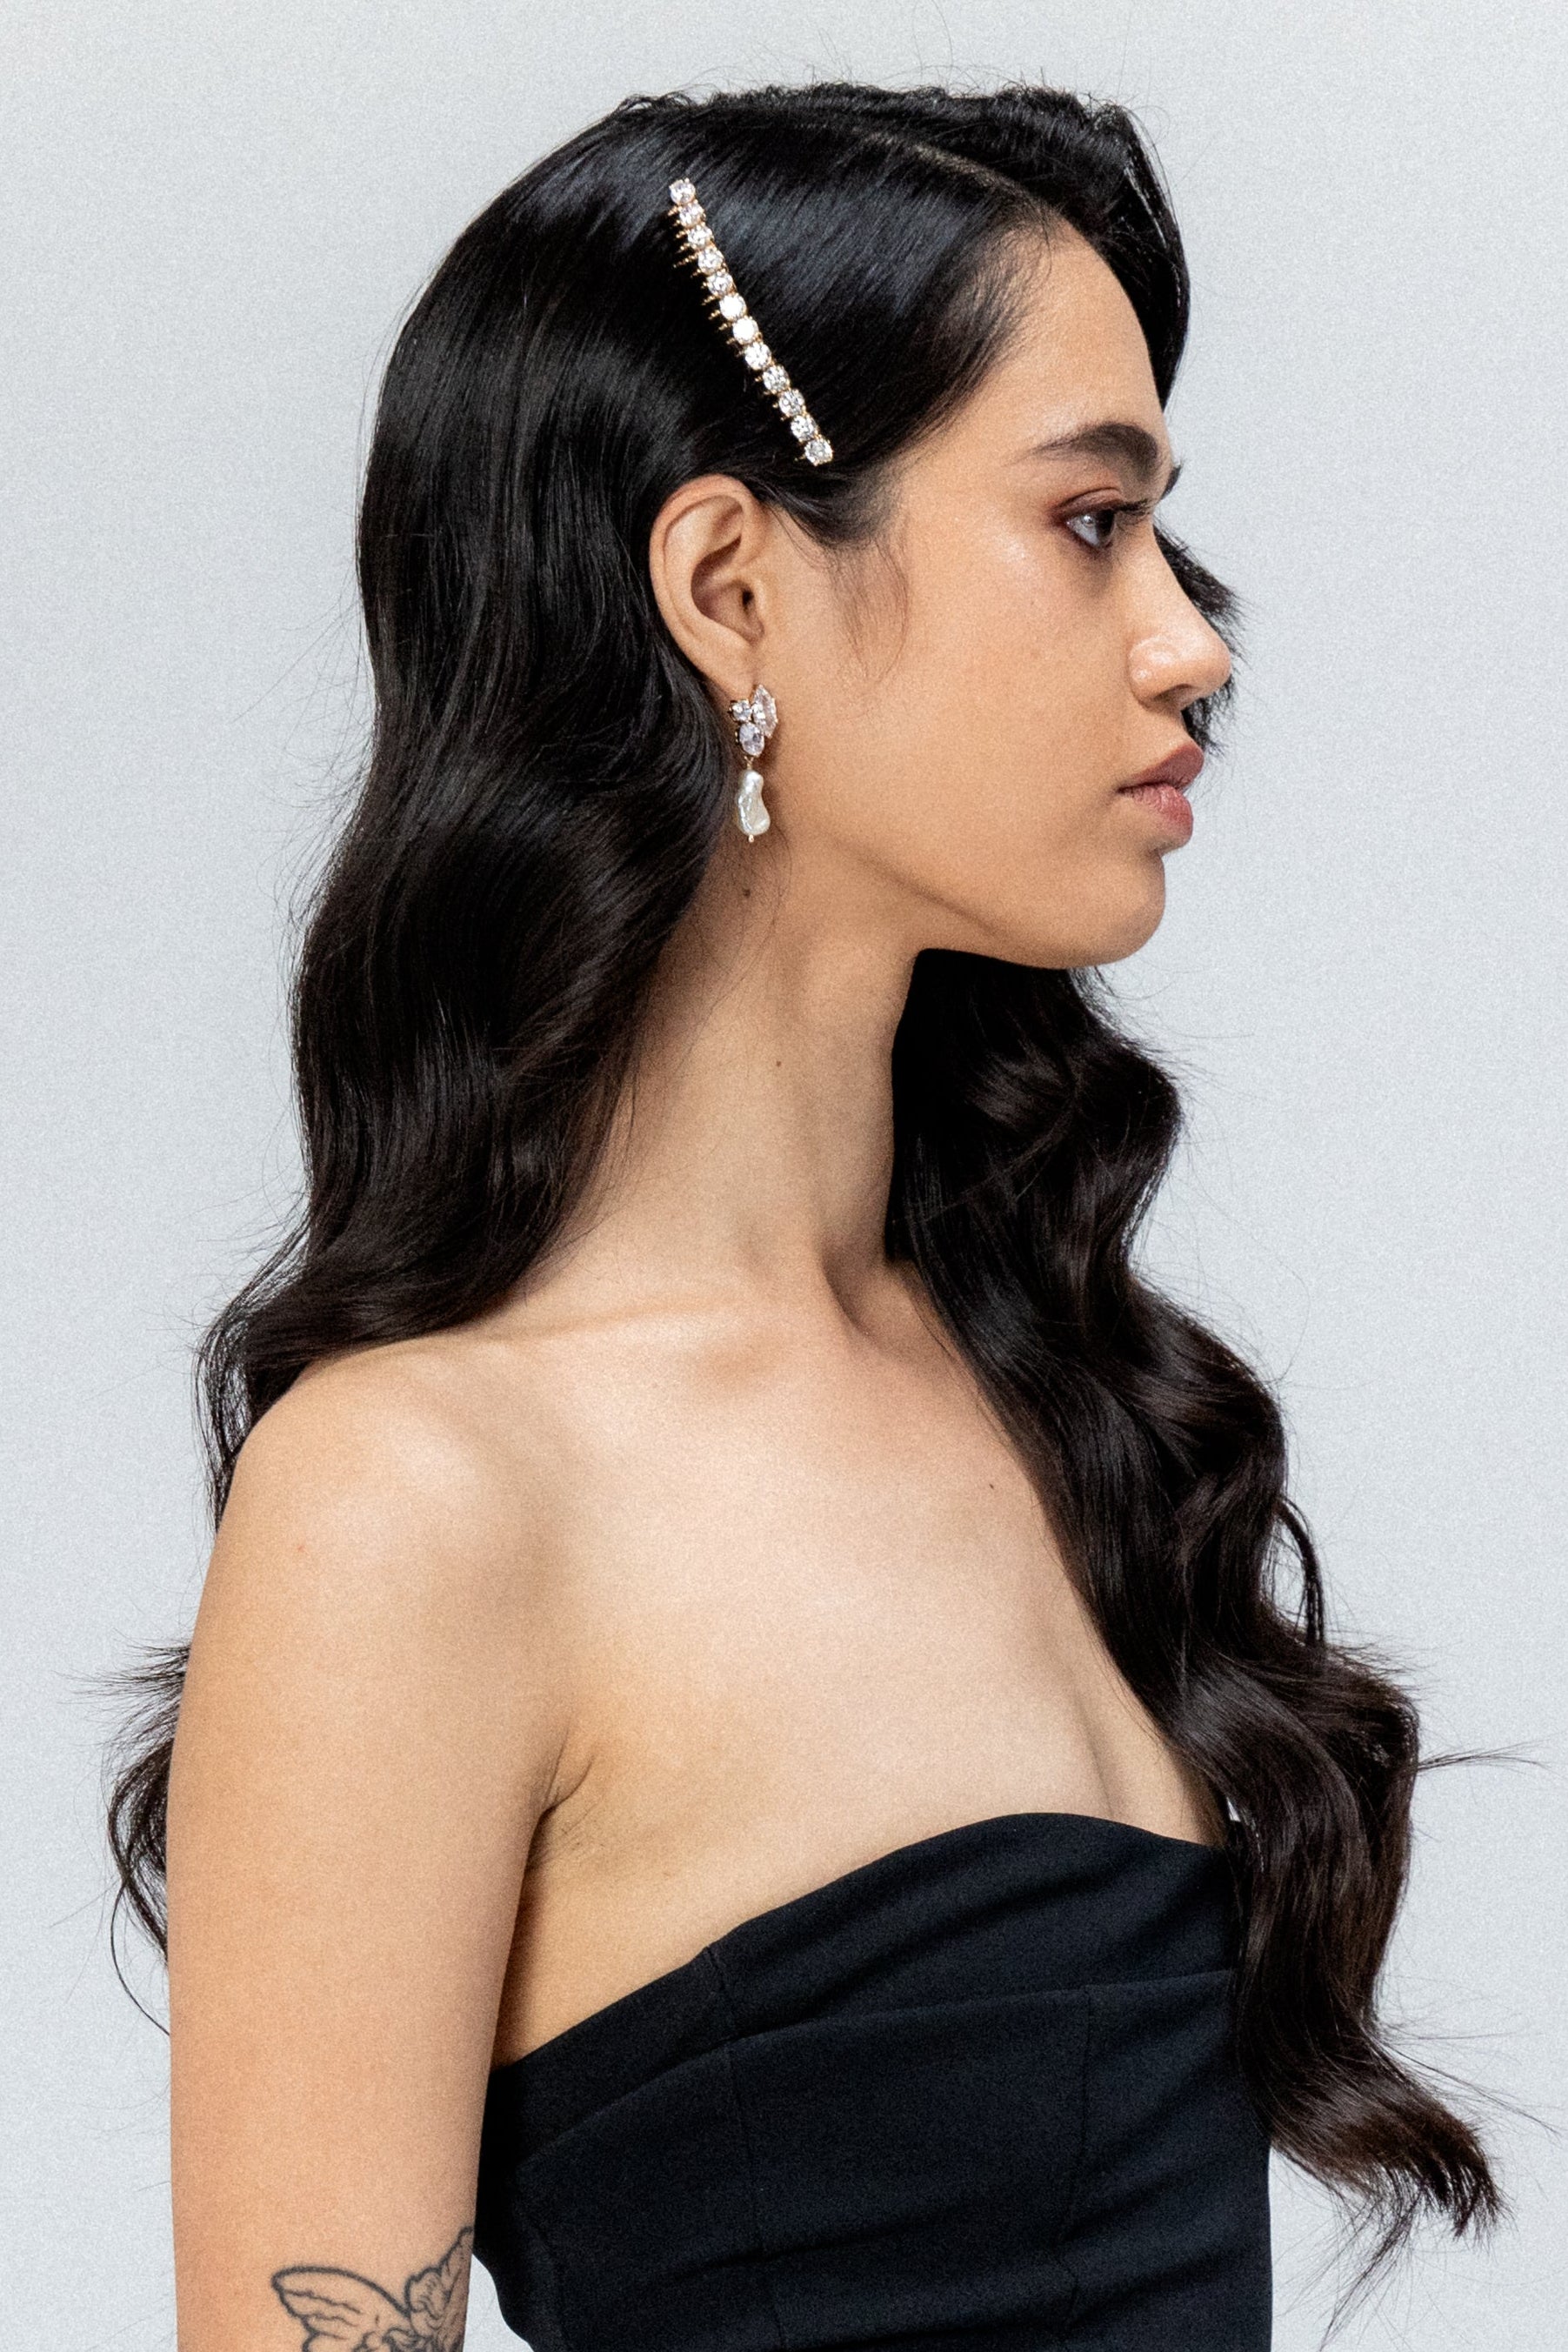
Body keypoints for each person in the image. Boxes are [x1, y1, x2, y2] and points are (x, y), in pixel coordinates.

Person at [106, 77, 1504, 2352]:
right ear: (731, 589)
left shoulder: (1037, 1383)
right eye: (1086, 523)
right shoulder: (419, 1503)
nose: (1189, 642)